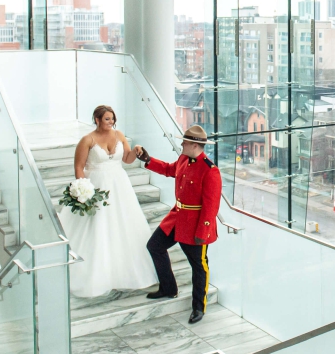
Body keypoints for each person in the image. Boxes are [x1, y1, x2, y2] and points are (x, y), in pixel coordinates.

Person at [58, 105, 159, 298]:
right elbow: (79, 167)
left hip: (119, 185)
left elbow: (127, 159)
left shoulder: (119, 135)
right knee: (98, 227)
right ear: (96, 119)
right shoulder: (87, 140)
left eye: (112, 119)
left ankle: (125, 273)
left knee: (123, 225)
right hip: (96, 185)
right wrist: (84, 191)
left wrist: (136, 150)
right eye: (106, 119)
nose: (111, 122)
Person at [134, 124, 222, 324]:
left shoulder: (210, 171)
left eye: (185, 141)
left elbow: (211, 206)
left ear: (194, 145)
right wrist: (148, 160)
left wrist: (203, 230)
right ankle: (169, 288)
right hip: (176, 218)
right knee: (154, 246)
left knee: (199, 267)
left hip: (194, 226)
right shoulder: (184, 159)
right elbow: (168, 169)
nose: (181, 143)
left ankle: (198, 307)